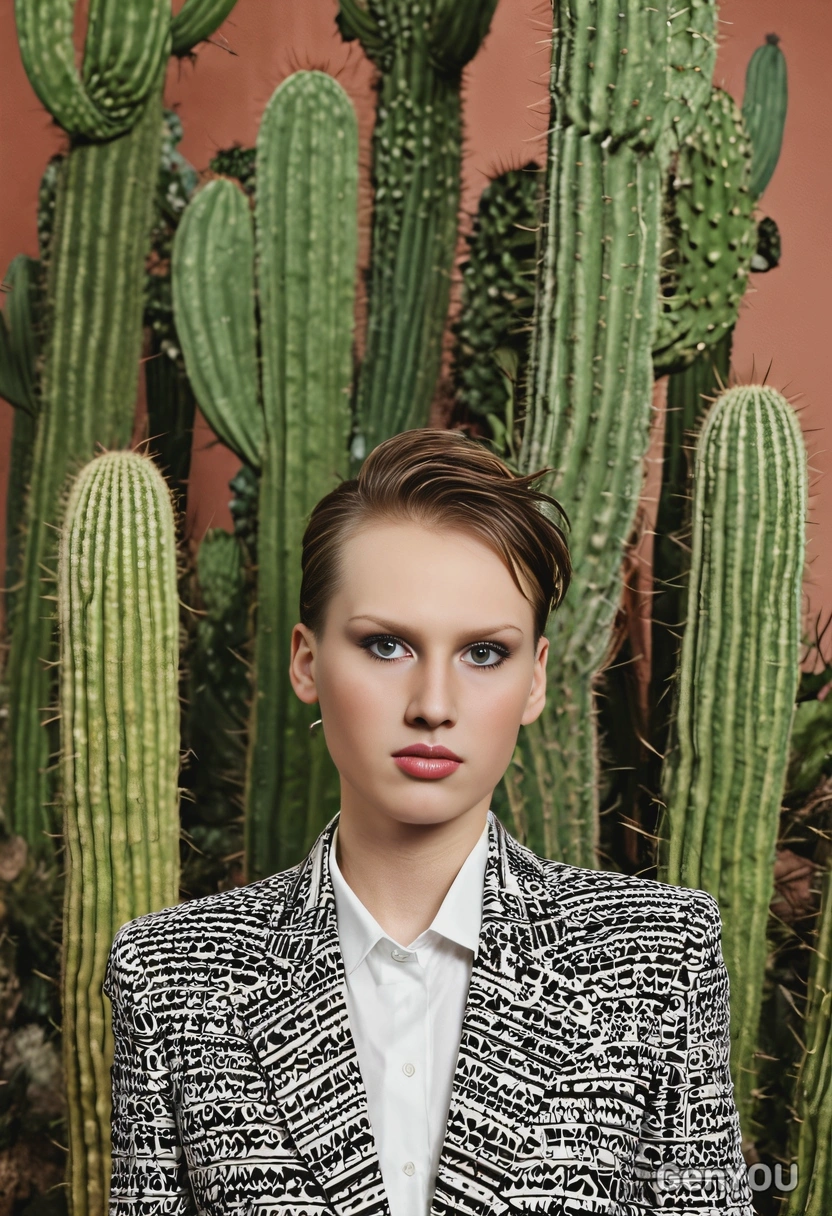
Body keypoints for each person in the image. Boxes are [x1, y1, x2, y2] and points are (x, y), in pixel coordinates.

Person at [104, 427, 755, 1215]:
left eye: (484, 654)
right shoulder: (170, 974)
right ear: (307, 663)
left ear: (537, 680)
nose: (434, 706)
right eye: (386, 645)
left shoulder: (659, 957)